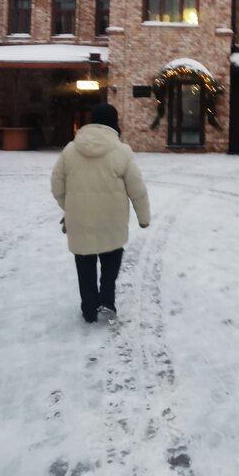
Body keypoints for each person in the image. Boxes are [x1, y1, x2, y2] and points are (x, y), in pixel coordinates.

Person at [51, 103, 150, 323]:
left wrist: (69, 207)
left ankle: (89, 308)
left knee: (85, 267)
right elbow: (137, 189)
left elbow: (56, 184)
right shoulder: (121, 152)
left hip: (80, 221)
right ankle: (107, 301)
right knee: (110, 262)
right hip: (111, 222)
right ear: (114, 123)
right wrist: (144, 218)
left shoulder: (70, 150)